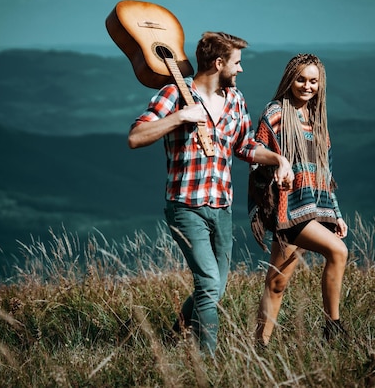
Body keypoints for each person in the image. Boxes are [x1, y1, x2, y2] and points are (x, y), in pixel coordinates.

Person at [128, 31, 293, 356]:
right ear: (219, 63)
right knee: (206, 285)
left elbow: (245, 146)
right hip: (185, 207)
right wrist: (178, 117)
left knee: (214, 289)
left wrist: (278, 159)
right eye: (237, 63)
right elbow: (135, 137)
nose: (241, 69)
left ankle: (174, 336)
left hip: (222, 207)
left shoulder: (235, 100)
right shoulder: (174, 94)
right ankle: (209, 364)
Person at [248, 53, 349, 347]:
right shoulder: (275, 113)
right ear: (289, 79)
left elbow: (325, 173)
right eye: (301, 79)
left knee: (277, 283)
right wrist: (276, 169)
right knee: (338, 252)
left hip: (314, 208)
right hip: (287, 209)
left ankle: (259, 347)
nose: (307, 86)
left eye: (313, 81)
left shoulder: (317, 120)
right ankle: (333, 328)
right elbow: (254, 153)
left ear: (321, 84)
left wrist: (336, 214)